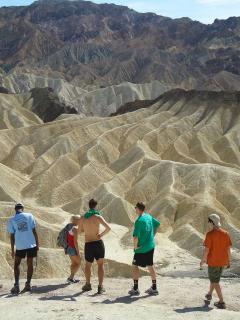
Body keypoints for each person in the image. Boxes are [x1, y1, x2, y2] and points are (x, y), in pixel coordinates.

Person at [200, 213, 232, 309]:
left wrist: (202, 260)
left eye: (209, 222)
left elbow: (207, 250)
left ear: (212, 222)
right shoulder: (226, 233)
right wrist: (229, 261)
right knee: (215, 280)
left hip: (213, 262)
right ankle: (209, 294)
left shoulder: (209, 235)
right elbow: (228, 249)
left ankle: (221, 302)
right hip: (222, 262)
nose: (208, 224)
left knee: (215, 281)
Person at [79, 199, 111, 294]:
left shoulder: (83, 218)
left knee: (88, 265)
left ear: (88, 206)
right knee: (100, 264)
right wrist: (101, 234)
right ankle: (100, 287)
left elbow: (80, 231)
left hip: (88, 243)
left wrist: (87, 230)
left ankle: (88, 284)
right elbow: (108, 228)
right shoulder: (98, 216)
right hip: (98, 243)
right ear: (95, 206)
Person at [129, 202, 160, 296]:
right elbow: (157, 224)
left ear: (138, 209)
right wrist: (152, 236)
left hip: (141, 249)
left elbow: (135, 237)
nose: (135, 209)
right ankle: (154, 288)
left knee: (134, 265)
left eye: (135, 208)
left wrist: (135, 248)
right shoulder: (148, 216)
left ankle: (135, 288)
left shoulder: (139, 221)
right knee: (150, 266)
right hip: (151, 246)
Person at [7, 202, 39, 294]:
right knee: (30, 264)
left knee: (16, 264)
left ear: (15, 209)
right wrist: (37, 244)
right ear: (23, 209)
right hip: (31, 245)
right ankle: (28, 284)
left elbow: (12, 236)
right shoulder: (30, 216)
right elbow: (34, 230)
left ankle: (16, 285)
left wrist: (12, 250)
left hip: (20, 246)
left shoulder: (12, 219)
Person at [66, 215, 81, 283]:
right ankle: (71, 277)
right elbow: (75, 241)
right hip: (73, 248)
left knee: (73, 263)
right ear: (76, 220)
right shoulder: (75, 228)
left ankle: (71, 278)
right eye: (79, 219)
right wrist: (78, 251)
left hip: (69, 248)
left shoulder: (70, 226)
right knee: (78, 263)